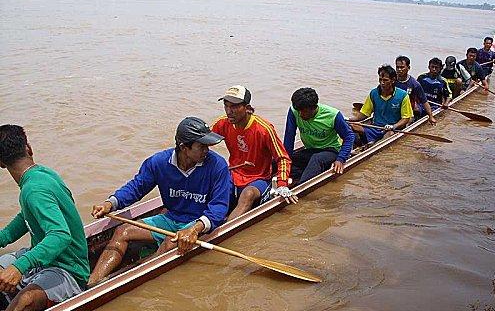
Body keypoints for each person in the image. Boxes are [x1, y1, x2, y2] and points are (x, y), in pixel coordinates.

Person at [88, 117, 231, 285]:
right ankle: (92, 284)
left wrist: (194, 229)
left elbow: (219, 207)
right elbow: (137, 187)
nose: (207, 150)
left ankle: (132, 280)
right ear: (184, 147)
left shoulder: (218, 165)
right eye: (202, 146)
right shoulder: (158, 162)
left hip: (198, 222)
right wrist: (110, 204)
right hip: (171, 219)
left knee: (169, 244)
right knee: (122, 231)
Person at [0, 125, 90, 311]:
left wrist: (19, 267)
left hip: (68, 268)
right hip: (42, 260)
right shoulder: (41, 175)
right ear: (29, 148)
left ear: (1, 163)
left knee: (25, 301)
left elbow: (60, 235)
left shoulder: (34, 189)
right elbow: (22, 221)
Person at [212, 85, 297, 222]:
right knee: (213, 187)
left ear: (247, 108)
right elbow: (204, 143)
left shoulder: (263, 129)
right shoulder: (222, 123)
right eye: (226, 106)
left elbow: (282, 158)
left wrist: (282, 185)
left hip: (258, 178)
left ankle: (223, 230)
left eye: (234, 107)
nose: (229, 111)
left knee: (248, 194)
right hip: (234, 174)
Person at [283, 87, 355, 184]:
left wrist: (341, 159)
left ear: (313, 108)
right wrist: (285, 161)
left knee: (316, 159)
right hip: (310, 150)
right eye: (298, 111)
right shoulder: (293, 111)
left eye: (303, 111)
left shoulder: (333, 115)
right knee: (289, 159)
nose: (300, 115)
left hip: (331, 150)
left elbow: (349, 137)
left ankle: (301, 187)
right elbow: (289, 137)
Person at [349, 65, 413, 145]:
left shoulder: (403, 95)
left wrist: (394, 126)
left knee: (390, 134)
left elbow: (406, 118)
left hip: (390, 130)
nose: (382, 83)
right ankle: (357, 145)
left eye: (385, 80)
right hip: (375, 128)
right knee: (351, 127)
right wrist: (349, 119)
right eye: (380, 80)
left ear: (393, 80)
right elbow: (364, 114)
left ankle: (374, 145)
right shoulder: (373, 93)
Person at [395, 56, 436, 125]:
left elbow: (424, 101)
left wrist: (431, 116)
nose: (399, 70)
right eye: (397, 67)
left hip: (409, 112)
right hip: (394, 108)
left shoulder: (414, 84)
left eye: (402, 67)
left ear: (408, 68)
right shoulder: (392, 81)